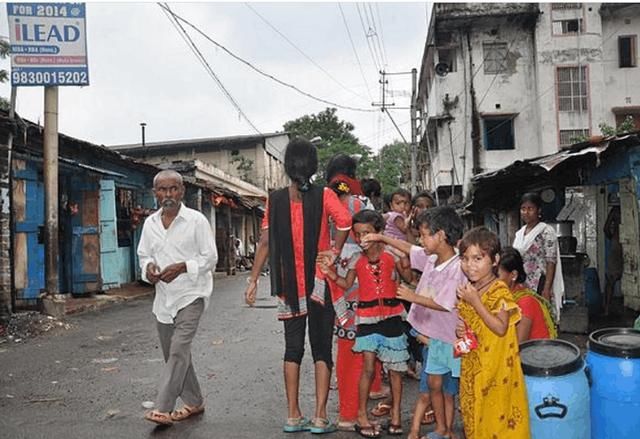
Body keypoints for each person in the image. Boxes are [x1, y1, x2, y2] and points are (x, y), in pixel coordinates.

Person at [244, 138, 352, 434]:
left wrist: (253, 279)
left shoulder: (275, 199)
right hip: (320, 283)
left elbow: (265, 241)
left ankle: (292, 415)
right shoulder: (326, 194)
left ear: (287, 166)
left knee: (292, 349)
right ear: (314, 166)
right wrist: (334, 252)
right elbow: (344, 223)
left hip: (288, 286)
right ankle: (319, 416)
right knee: (321, 350)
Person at [365, 206, 466, 439]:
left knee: (449, 388)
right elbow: (409, 248)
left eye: (424, 234)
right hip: (430, 337)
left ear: (440, 236)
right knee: (434, 384)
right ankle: (441, 428)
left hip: (448, 338)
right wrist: (381, 237)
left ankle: (448, 428)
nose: (421, 239)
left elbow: (445, 303)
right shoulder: (432, 258)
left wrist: (412, 297)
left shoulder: (456, 267)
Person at [138, 170, 218, 426]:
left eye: (173, 189)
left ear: (182, 191)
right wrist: (149, 269)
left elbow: (210, 258)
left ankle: (162, 408)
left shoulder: (196, 221)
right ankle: (194, 402)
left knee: (178, 349)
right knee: (175, 355)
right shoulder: (150, 223)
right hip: (163, 299)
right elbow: (144, 255)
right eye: (163, 190)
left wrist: (183, 267)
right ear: (155, 193)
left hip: (192, 294)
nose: (168, 195)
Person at [320, 209, 410, 438]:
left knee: (396, 370)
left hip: (392, 318)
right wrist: (330, 273)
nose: (362, 240)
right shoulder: (356, 260)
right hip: (366, 320)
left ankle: (397, 415)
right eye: (358, 235)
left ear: (379, 233)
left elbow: (409, 277)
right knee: (368, 368)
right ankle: (361, 414)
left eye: (367, 233)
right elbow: (345, 282)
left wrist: (406, 247)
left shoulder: (393, 255)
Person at [325, 155, 386, 432]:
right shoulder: (360, 204)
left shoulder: (322, 202)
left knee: (347, 349)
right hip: (360, 286)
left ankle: (348, 412)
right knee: (360, 351)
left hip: (335, 281)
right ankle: (351, 414)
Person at [456, 227, 530, 439]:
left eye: (478, 258)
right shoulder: (472, 289)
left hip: (496, 369)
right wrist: (462, 329)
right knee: (476, 417)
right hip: (475, 364)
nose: (470, 265)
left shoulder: (499, 291)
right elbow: (473, 323)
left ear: (495, 260)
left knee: (497, 421)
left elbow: (500, 328)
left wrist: (476, 303)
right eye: (465, 258)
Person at [512, 192, 564, 320]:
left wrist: (547, 288)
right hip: (523, 285)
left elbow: (551, 261)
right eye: (523, 209)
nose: (526, 212)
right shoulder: (520, 233)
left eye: (530, 208)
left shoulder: (546, 232)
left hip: (539, 283)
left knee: (541, 318)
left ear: (538, 210)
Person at [498, 247, 557, 342]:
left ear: (513, 275)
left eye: (497, 275)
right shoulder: (505, 297)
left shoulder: (525, 302)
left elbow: (518, 344)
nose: (492, 280)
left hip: (535, 354)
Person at [603, 206, 623, 316]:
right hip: (633, 245)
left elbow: (606, 228)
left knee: (611, 279)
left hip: (617, 243)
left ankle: (606, 309)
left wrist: (614, 237)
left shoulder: (616, 210)